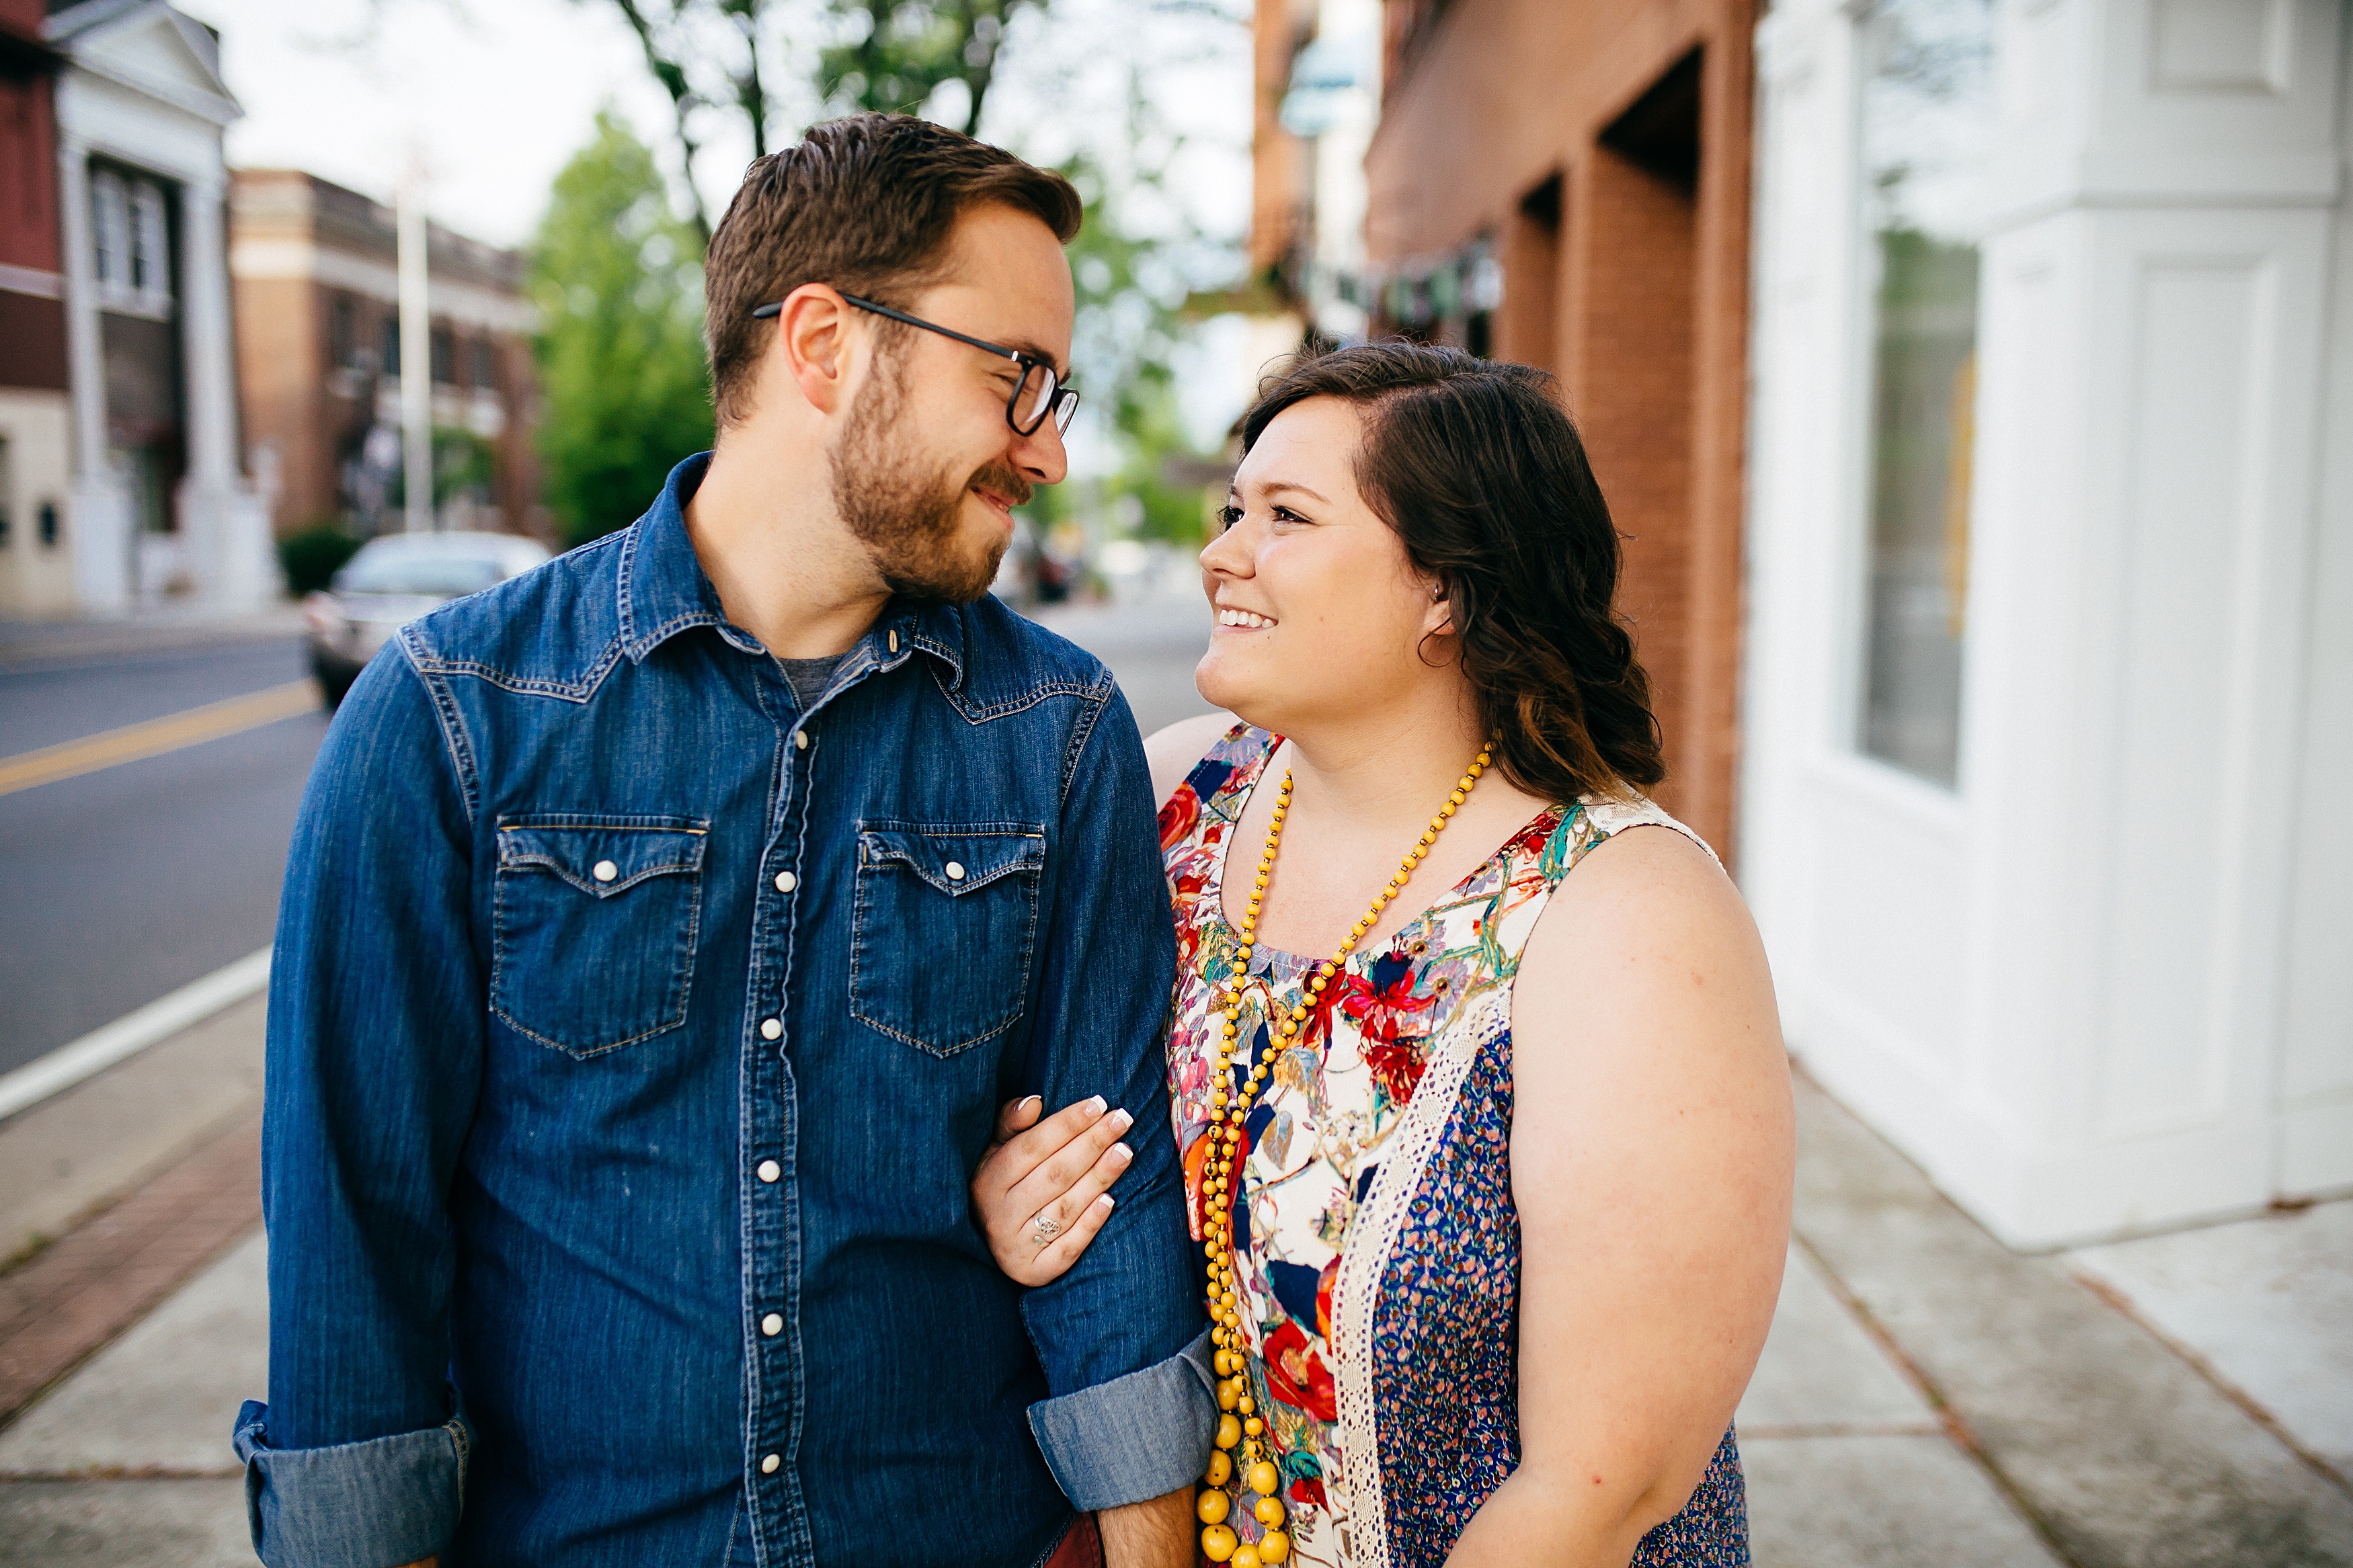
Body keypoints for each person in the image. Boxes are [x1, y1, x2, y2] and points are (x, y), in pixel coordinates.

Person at [235, 114, 1211, 1568]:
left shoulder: (1054, 729)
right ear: (821, 342)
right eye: (1015, 379)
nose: (1049, 450)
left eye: (1056, 393)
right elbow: (351, 1250)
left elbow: (1106, 1205)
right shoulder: (455, 717)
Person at [971, 344, 1795, 1568]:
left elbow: (1602, 1486)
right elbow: (1044, 1123)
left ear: (1449, 591)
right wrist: (1018, 1201)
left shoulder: (1626, 916)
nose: (1222, 554)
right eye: (1232, 510)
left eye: (1287, 518)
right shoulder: (1173, 801)